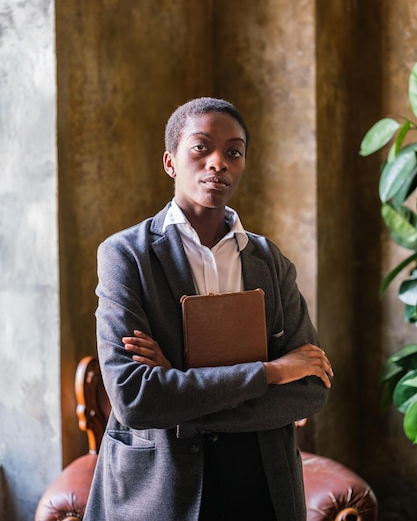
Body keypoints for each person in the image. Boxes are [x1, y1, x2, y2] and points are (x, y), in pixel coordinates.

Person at [83, 97, 333, 521]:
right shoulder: (125, 255)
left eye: (233, 152)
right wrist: (271, 372)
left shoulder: (270, 261)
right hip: (163, 485)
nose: (218, 162)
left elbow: (309, 390)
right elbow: (136, 398)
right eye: (201, 147)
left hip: (263, 482)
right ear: (170, 162)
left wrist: (177, 384)